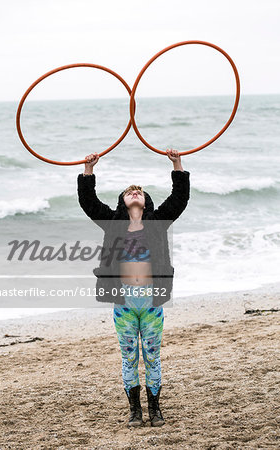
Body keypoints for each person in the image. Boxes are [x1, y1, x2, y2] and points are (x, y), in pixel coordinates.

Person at [77, 150, 190, 427]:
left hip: (152, 302)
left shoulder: (157, 223)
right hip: (123, 304)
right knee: (129, 358)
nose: (135, 192)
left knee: (152, 357)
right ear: (123, 201)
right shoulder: (113, 224)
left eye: (139, 191)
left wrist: (176, 163)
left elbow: (179, 198)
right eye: (130, 191)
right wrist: (88, 169)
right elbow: (88, 202)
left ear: (146, 201)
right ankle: (135, 412)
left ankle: (155, 410)